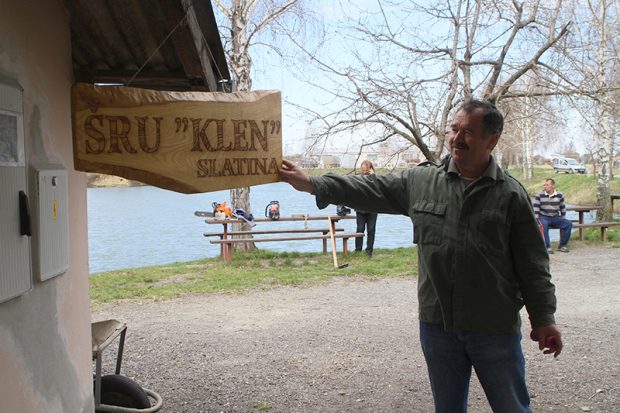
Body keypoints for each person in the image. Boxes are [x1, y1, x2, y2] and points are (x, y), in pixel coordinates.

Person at [280, 98, 562, 413]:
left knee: (512, 408)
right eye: (454, 129)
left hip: (493, 328)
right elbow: (368, 188)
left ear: (491, 140)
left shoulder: (510, 195)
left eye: (468, 132)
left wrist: (544, 319)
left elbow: (533, 266)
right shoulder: (422, 182)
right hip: (438, 327)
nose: (456, 138)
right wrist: (312, 183)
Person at [533, 178, 572, 253]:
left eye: (547, 185)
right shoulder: (539, 194)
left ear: (553, 186)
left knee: (568, 224)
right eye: (544, 185)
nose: (545, 186)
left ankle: (562, 245)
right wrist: (536, 219)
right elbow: (536, 207)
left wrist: (563, 218)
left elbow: (562, 207)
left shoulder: (559, 195)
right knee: (544, 225)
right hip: (543, 217)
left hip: (555, 217)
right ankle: (547, 247)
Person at [355, 160, 378, 256]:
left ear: (370, 169)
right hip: (360, 209)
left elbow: (378, 188)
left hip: (372, 209)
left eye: (366, 170)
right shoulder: (358, 178)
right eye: (363, 170)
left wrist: (373, 176)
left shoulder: (375, 179)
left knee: (371, 230)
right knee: (360, 229)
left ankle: (369, 251)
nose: (364, 172)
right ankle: (358, 250)